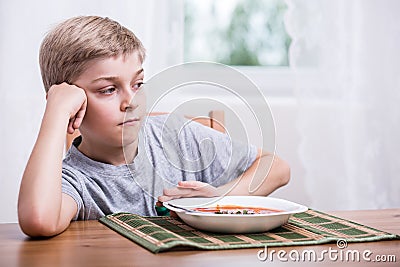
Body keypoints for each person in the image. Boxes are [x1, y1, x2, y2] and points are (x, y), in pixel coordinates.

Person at [18, 16, 290, 237]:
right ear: (72, 103)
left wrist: (217, 199)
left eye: (138, 84)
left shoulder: (175, 135)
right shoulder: (77, 179)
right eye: (109, 89)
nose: (131, 101)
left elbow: (277, 167)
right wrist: (55, 114)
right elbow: (39, 220)